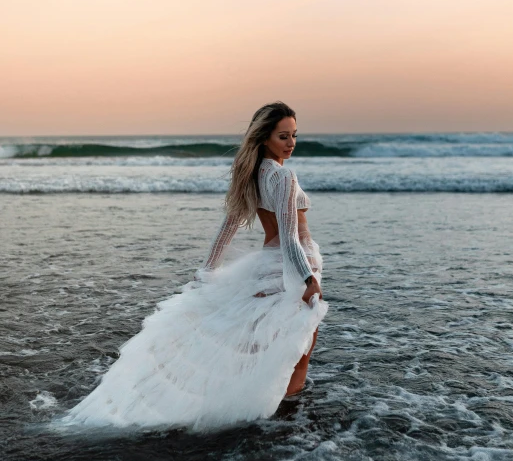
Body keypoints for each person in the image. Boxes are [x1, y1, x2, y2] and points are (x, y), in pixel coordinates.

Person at [51, 102, 328, 433]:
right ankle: (285, 417)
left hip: (273, 264)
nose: (291, 142)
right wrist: (308, 278)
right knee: (298, 349)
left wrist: (206, 272)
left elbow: (225, 231)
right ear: (264, 137)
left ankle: (264, 406)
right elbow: (288, 237)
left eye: (294, 135)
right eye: (283, 136)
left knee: (267, 344)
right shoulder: (283, 176)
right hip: (293, 264)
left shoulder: (251, 175)